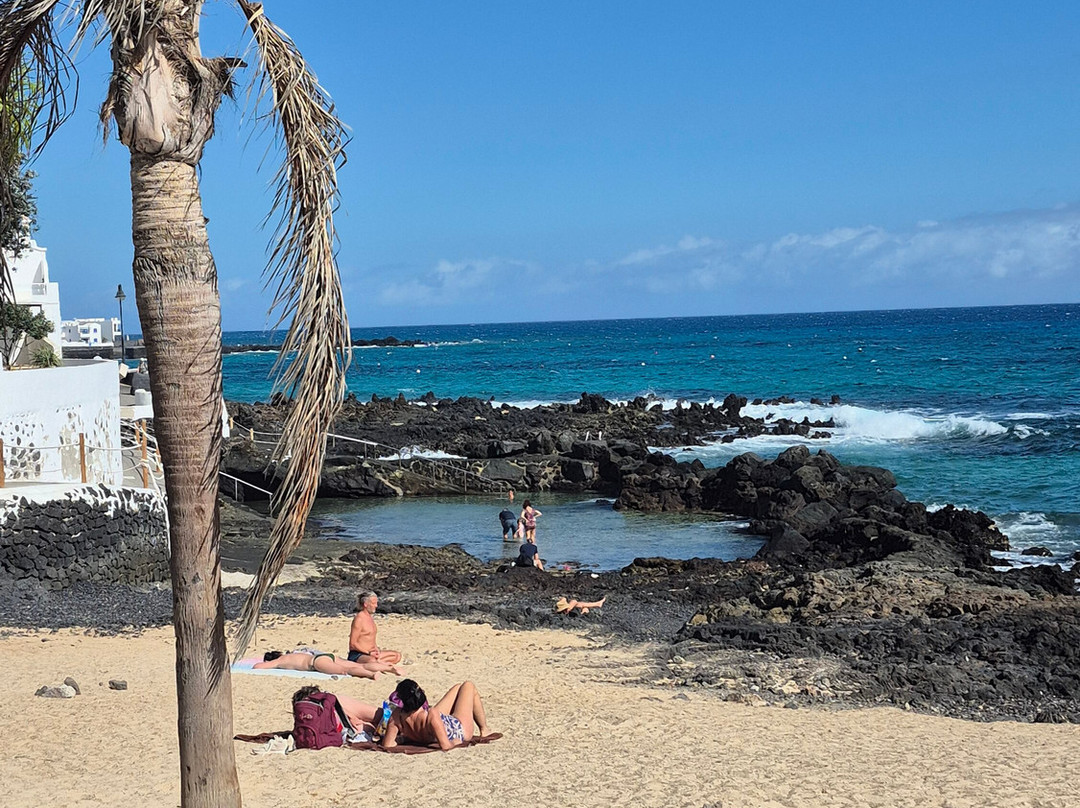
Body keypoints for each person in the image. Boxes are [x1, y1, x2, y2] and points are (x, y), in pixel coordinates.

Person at [381, 679, 490, 750]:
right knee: (468, 686)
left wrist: (404, 739)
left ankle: (484, 728)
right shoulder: (431, 715)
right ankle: (484, 729)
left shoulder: (397, 715)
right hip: (458, 730)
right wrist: (455, 742)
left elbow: (388, 744)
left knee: (458, 687)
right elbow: (446, 745)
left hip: (431, 727)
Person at [291, 685, 379, 737]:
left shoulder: (303, 728)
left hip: (353, 730)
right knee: (382, 716)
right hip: (352, 722)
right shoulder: (339, 701)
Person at [254, 649, 402, 680]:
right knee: (353, 664)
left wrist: (269, 664)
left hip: (316, 662)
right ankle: (388, 667)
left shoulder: (280, 660)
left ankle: (371, 675)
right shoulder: (292, 653)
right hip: (324, 655)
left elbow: (258, 667)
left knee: (347, 670)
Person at [348, 592, 402, 665]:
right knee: (372, 661)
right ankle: (378, 664)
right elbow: (353, 644)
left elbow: (371, 639)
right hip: (359, 654)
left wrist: (376, 650)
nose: (376, 606)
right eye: (373, 603)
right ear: (365, 604)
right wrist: (369, 653)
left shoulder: (370, 618)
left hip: (372, 653)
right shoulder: (359, 619)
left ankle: (379, 663)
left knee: (397, 656)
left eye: (376, 603)